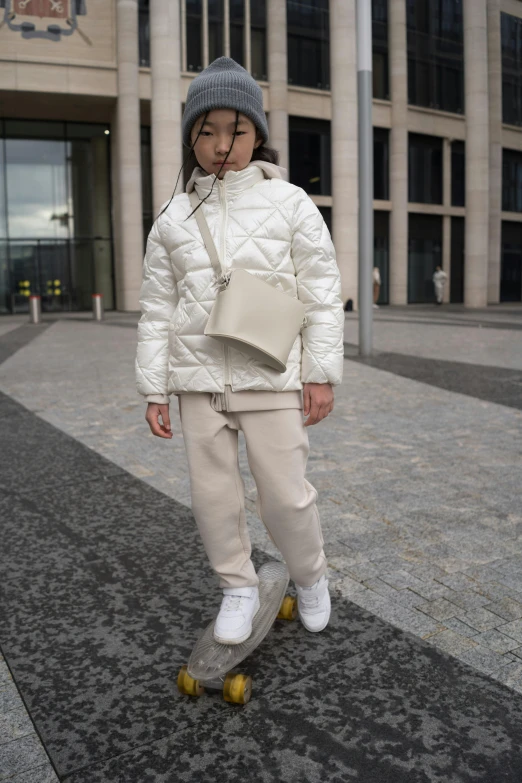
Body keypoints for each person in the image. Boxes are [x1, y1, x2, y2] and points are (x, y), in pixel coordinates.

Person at [135, 57, 344, 646]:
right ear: (190, 135)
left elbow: (322, 292)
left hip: (272, 375)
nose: (222, 144)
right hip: (199, 383)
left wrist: (321, 373)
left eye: (237, 129)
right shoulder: (172, 218)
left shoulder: (291, 203)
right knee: (214, 498)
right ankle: (238, 587)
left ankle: (311, 577)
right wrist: (154, 387)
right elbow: (156, 308)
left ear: (257, 133)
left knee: (286, 496)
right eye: (207, 130)